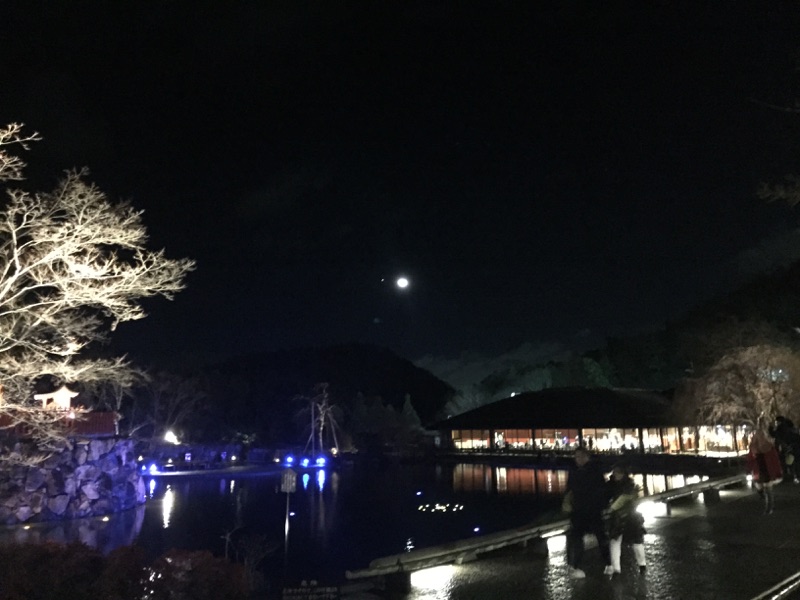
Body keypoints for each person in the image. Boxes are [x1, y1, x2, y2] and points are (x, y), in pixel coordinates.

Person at [562, 446, 612, 579]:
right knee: (578, 537)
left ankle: (608, 563)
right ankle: (576, 566)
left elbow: (601, 490)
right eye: (576, 457)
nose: (577, 459)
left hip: (592, 509)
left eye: (579, 456)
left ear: (586, 457)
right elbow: (570, 488)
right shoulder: (576, 471)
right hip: (579, 510)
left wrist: (599, 504)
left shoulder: (593, 471)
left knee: (600, 536)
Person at [606, 464, 646, 575]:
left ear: (623, 473)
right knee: (619, 541)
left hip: (624, 516)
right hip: (626, 516)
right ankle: (617, 568)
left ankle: (641, 565)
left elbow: (623, 499)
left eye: (618, 472)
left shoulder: (619, 485)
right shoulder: (629, 484)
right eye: (615, 472)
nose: (616, 474)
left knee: (633, 541)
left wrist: (611, 508)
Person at [747, 425, 783, 514]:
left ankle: (769, 508)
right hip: (760, 471)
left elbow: (774, 460)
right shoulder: (755, 447)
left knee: (768, 489)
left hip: (766, 470)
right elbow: (750, 460)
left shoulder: (768, 447)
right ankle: (768, 505)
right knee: (762, 488)